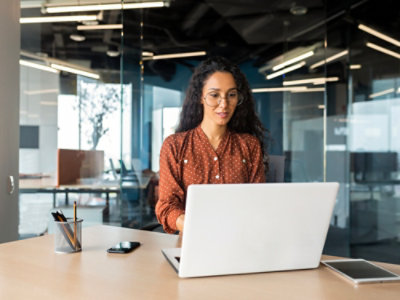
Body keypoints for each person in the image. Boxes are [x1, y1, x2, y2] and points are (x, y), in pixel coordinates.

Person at [155, 56, 267, 234]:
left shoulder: (250, 145)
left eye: (231, 95)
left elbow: (259, 202)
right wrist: (194, 225)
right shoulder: (174, 146)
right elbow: (166, 206)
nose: (224, 104)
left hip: (240, 241)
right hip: (192, 244)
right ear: (200, 96)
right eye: (215, 95)